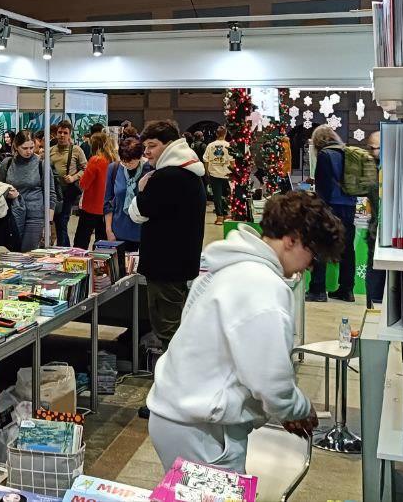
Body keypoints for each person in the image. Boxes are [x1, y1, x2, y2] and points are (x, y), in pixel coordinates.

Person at [147, 193, 337, 473]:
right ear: (292, 239)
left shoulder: (229, 265)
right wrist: (298, 408)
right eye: (313, 254)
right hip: (203, 429)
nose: (309, 266)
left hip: (178, 414)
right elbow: (270, 378)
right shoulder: (262, 285)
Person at [132, 120, 206, 357]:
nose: (147, 152)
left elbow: (139, 212)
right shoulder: (189, 172)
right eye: (146, 146)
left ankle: (174, 375)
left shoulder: (167, 176)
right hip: (180, 264)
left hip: (164, 266)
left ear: (170, 145)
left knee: (168, 329)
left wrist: (141, 190)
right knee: (176, 322)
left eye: (152, 145)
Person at [308, 124, 357, 303]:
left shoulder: (324, 155)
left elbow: (323, 187)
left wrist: (317, 206)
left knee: (321, 246)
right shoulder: (347, 152)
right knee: (347, 249)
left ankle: (318, 290)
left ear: (318, 141)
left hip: (331, 207)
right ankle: (347, 290)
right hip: (349, 206)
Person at [0, 132, 58, 252]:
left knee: (27, 253)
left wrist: (49, 223)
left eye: (31, 147)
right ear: (16, 146)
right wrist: (7, 193)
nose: (29, 151)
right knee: (13, 253)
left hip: (35, 216)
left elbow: (51, 194)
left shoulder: (42, 164)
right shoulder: (7, 163)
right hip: (12, 215)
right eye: (24, 148)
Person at [104, 136, 150, 254]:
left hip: (143, 232)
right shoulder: (114, 168)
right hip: (118, 231)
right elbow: (107, 202)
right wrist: (109, 231)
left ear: (140, 157)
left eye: (131, 161)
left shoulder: (149, 169)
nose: (127, 164)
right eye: (123, 160)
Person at [50, 121, 88, 247]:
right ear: (56, 134)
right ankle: (64, 248)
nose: (62, 135)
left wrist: (73, 177)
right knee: (57, 221)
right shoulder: (50, 150)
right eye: (59, 132)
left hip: (68, 192)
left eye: (65, 133)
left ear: (70, 134)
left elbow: (85, 168)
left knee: (62, 221)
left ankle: (63, 249)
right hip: (54, 191)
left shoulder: (76, 150)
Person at [74, 132, 114, 250]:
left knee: (81, 241)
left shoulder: (95, 160)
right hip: (106, 207)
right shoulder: (113, 160)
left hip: (91, 206)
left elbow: (84, 184)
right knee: (102, 242)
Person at [365, 130, 384, 308]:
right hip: (375, 232)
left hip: (381, 232)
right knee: (374, 276)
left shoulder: (382, 170)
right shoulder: (371, 168)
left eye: (375, 148)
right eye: (369, 148)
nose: (371, 152)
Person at [203, 126, 232, 225]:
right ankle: (226, 214)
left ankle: (219, 217)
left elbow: (206, 159)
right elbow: (232, 161)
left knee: (217, 196)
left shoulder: (210, 145)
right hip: (227, 174)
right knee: (226, 195)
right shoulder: (229, 145)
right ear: (225, 134)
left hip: (214, 174)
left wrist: (207, 172)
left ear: (216, 134)